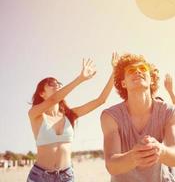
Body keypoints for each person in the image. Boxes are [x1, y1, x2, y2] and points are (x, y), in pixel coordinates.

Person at [27, 53, 118, 182]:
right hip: (40, 176)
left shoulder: (70, 115)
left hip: (66, 176)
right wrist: (80, 79)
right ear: (42, 93)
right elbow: (54, 99)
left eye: (59, 83)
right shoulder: (35, 115)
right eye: (52, 83)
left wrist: (114, 73)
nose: (57, 85)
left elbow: (100, 100)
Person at [100, 53, 175, 182]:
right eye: (131, 70)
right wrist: (134, 157)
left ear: (151, 79)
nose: (138, 71)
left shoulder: (169, 112)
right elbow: (111, 165)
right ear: (123, 83)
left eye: (143, 69)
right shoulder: (110, 116)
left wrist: (161, 151)